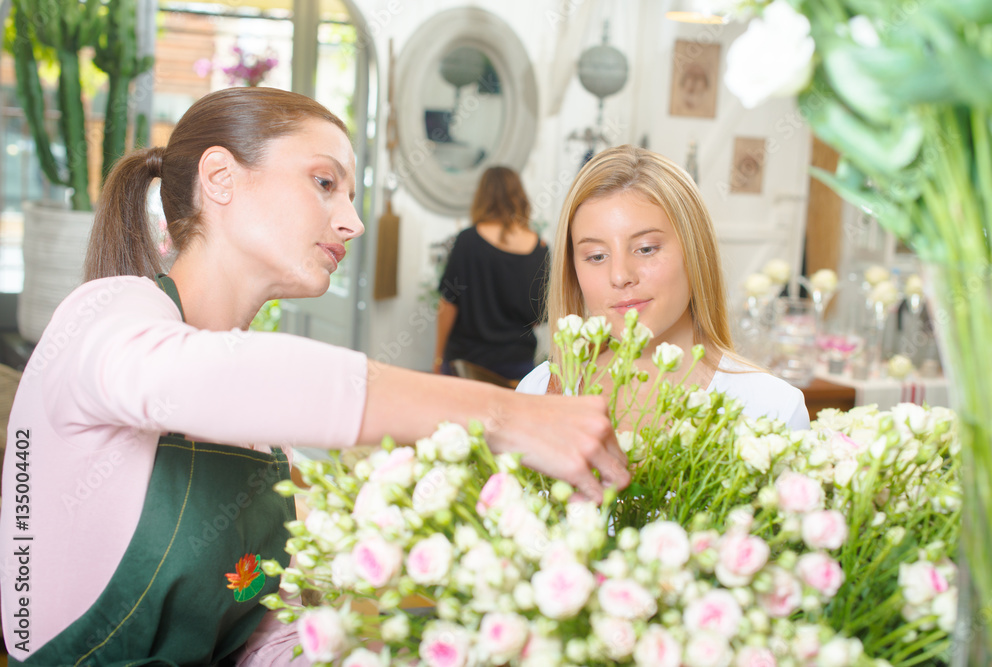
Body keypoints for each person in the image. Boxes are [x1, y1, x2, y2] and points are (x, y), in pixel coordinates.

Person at [0, 88, 629, 664]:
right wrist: (509, 416)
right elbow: (213, 377)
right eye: (325, 182)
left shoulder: (263, 443)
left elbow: (256, 631)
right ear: (220, 178)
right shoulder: (104, 316)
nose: (352, 222)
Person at [517, 145, 809, 431]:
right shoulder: (539, 391)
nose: (620, 276)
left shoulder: (772, 410)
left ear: (695, 251)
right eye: (596, 256)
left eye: (646, 249)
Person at [433, 166, 548, 382]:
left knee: (459, 417)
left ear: (482, 197)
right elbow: (539, 316)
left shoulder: (467, 241)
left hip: (467, 365)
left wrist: (438, 357)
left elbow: (448, 303)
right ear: (520, 197)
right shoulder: (540, 248)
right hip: (517, 366)